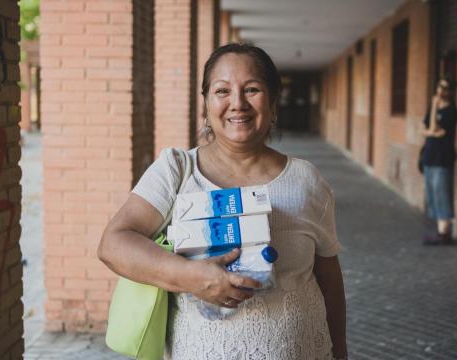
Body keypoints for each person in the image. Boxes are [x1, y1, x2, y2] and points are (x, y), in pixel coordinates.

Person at [98, 43, 347, 359]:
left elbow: (329, 275)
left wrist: (340, 350)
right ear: (205, 104)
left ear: (273, 103)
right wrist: (192, 277)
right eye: (222, 91)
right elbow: (113, 244)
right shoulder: (176, 170)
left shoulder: (306, 180)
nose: (238, 103)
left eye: (252, 89)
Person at [421, 78, 457, 245]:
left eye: (445, 87)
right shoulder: (432, 108)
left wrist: (435, 106)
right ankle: (439, 230)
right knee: (432, 194)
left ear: (450, 91)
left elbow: (435, 128)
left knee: (442, 193)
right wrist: (432, 133)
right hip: (429, 157)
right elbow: (425, 130)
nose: (441, 90)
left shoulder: (452, 111)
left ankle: (444, 233)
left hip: (443, 158)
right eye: (439, 86)